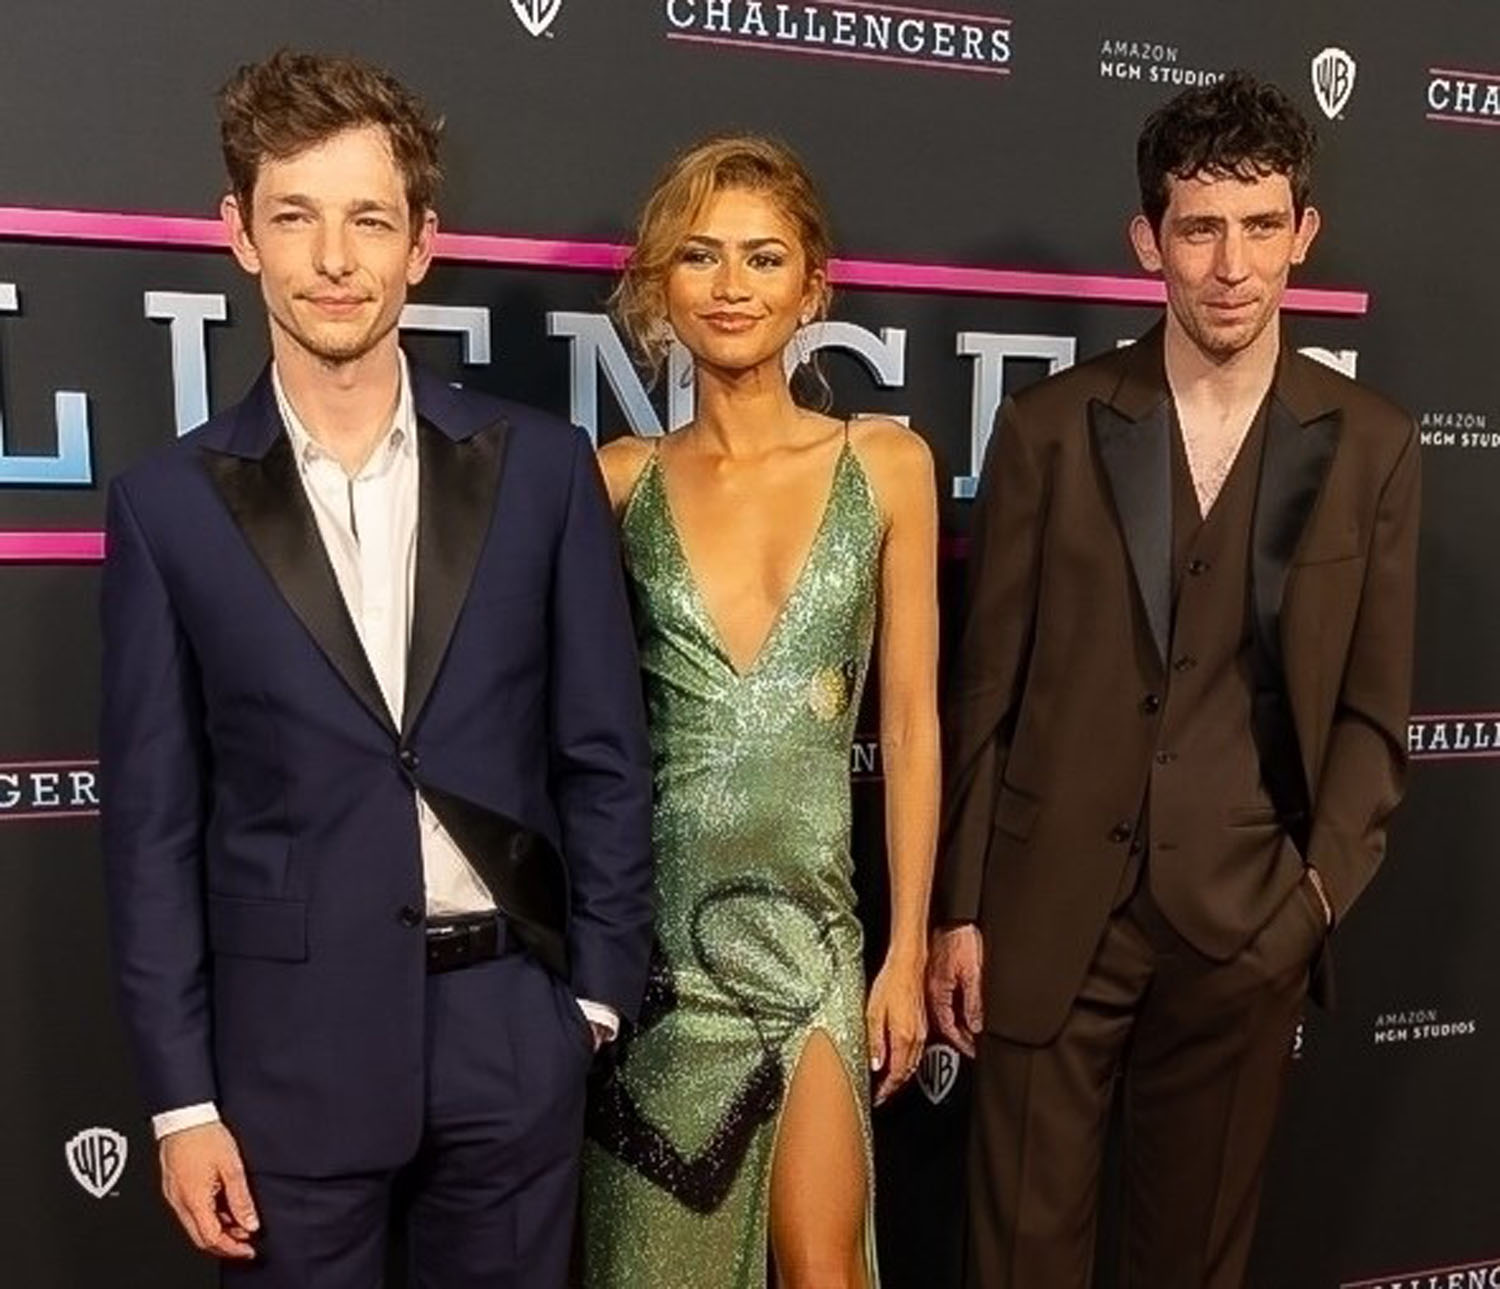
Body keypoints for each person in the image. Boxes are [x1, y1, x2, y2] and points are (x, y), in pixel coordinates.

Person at [100, 49, 652, 1288]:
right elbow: (150, 832)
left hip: (512, 1034)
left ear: (422, 243)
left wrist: (593, 1001)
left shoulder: (542, 469)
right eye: (296, 216)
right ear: (240, 232)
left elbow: (605, 753)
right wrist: (183, 1102)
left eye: (369, 219)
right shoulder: (166, 506)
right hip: (285, 1055)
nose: (334, 259)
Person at [927, 73, 1419, 1288]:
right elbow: (986, 688)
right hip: (1047, 916)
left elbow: (1373, 712)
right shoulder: (1049, 427)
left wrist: (1310, 901)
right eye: (1200, 229)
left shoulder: (1371, 444)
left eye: (1260, 226)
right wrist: (959, 908)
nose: (1231, 265)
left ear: (1304, 232)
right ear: (1149, 240)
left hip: (1246, 925)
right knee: (1018, 1261)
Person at [579, 134, 939, 1289]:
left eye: (764, 257)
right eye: (701, 255)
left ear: (812, 287)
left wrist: (907, 949)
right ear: (661, 286)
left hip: (816, 944)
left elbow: (912, 725)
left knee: (826, 1268)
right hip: (658, 968)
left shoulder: (886, 464)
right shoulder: (617, 481)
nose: (732, 285)